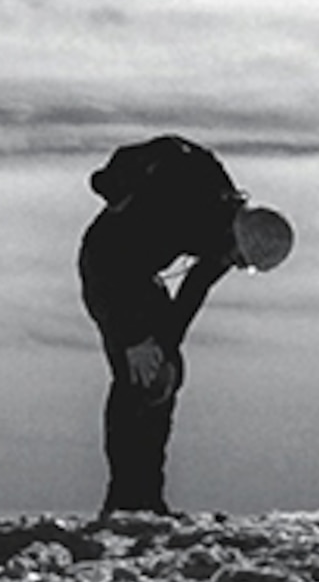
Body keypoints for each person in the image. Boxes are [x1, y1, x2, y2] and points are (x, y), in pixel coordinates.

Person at [77, 135, 293, 518]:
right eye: (241, 260)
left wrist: (166, 348)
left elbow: (194, 291)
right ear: (239, 235)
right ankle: (123, 498)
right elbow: (112, 267)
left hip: (142, 274)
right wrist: (133, 339)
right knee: (134, 379)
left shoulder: (224, 234)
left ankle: (148, 496)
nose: (236, 266)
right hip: (106, 267)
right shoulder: (176, 209)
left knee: (164, 378)